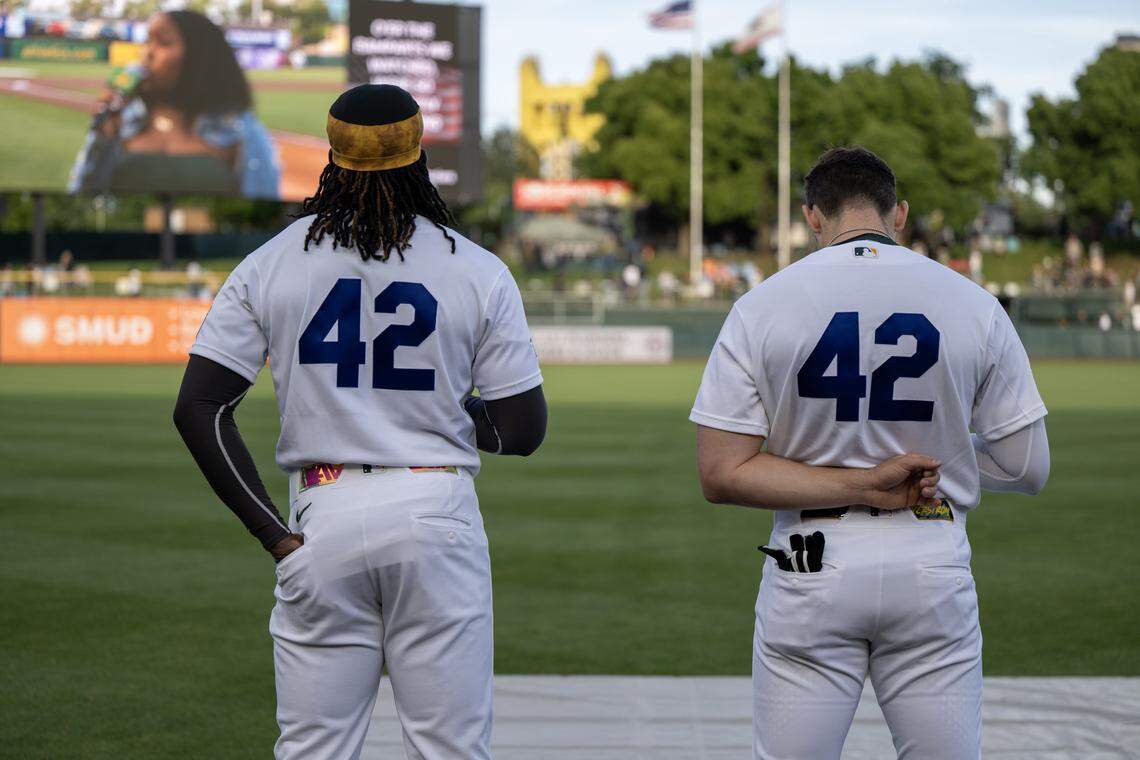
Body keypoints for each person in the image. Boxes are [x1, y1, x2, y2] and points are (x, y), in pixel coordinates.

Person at [173, 84, 547, 759]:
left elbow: (199, 407)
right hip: (438, 508)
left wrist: (273, 536)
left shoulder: (273, 260)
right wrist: (456, 417)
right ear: (419, 149)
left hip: (324, 513)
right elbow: (522, 429)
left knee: (314, 749)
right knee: (451, 749)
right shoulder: (479, 270)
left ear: (333, 154)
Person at [690, 146, 1049, 760]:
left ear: (812, 216)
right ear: (899, 213)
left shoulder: (760, 305)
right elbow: (1026, 466)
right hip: (930, 554)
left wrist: (859, 485)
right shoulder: (973, 302)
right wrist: (942, 464)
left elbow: (721, 472)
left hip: (811, 561)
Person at [69, 10, 278, 198]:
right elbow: (80, 198)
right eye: (147, 42)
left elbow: (264, 206)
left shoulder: (241, 132)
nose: (147, 53)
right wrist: (103, 136)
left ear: (198, 57)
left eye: (164, 42)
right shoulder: (121, 125)